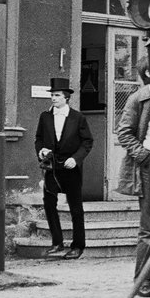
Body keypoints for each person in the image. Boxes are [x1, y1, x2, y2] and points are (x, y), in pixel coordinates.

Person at [116, 56, 150, 296]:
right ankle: (143, 282)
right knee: (149, 227)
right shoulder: (139, 98)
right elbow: (124, 133)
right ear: (148, 74)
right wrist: (144, 156)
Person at [34, 77, 93, 258]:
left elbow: (87, 141)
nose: (53, 98)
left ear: (66, 97)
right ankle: (57, 242)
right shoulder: (45, 117)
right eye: (52, 95)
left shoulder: (78, 117)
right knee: (49, 204)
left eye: (57, 95)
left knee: (75, 207)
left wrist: (76, 159)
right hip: (52, 167)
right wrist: (41, 151)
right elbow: (38, 139)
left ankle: (78, 246)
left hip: (71, 167)